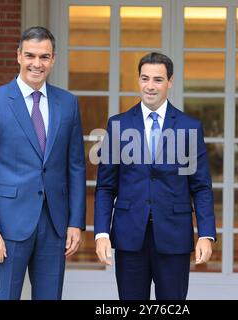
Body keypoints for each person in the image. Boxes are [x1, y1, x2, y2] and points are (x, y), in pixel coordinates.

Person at [0, 26, 86, 300]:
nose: (37, 63)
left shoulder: (68, 103)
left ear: (53, 59)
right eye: (30, 55)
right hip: (7, 227)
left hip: (55, 226)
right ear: (18, 56)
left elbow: (76, 166)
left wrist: (75, 223)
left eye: (44, 57)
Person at [94, 52, 216, 300]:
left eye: (158, 80)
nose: (150, 86)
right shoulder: (118, 125)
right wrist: (101, 234)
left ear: (170, 82)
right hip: (129, 236)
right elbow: (106, 187)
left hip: (174, 235)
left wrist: (206, 234)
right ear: (138, 80)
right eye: (145, 78)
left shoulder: (188, 127)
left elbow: (201, 187)